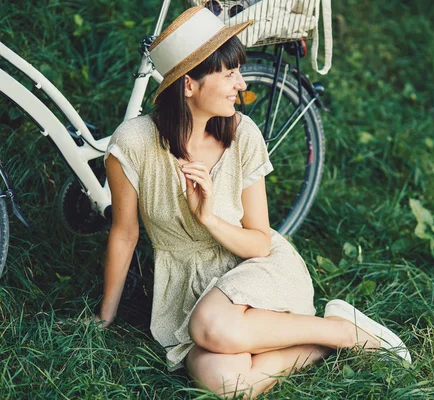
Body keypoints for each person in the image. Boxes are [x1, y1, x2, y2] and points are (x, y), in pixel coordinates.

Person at [97, 6, 411, 398]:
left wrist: (208, 218)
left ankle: (344, 332)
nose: (241, 84)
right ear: (189, 85)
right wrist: (104, 319)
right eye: (229, 74)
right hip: (185, 289)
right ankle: (324, 341)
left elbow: (260, 243)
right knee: (229, 386)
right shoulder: (133, 144)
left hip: (254, 269)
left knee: (212, 326)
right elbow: (125, 233)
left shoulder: (243, 135)